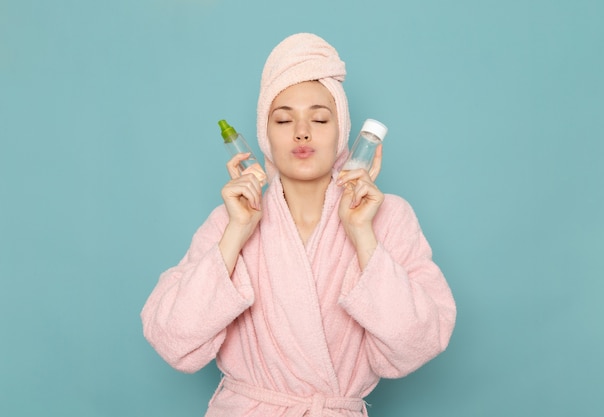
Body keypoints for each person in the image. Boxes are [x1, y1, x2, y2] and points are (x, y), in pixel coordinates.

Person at [141, 33, 456, 417]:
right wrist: (236, 234)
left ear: (342, 133)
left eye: (320, 118)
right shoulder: (230, 218)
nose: (302, 132)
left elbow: (417, 344)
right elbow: (172, 339)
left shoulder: (388, 217)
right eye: (284, 119)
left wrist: (362, 234)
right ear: (264, 135)